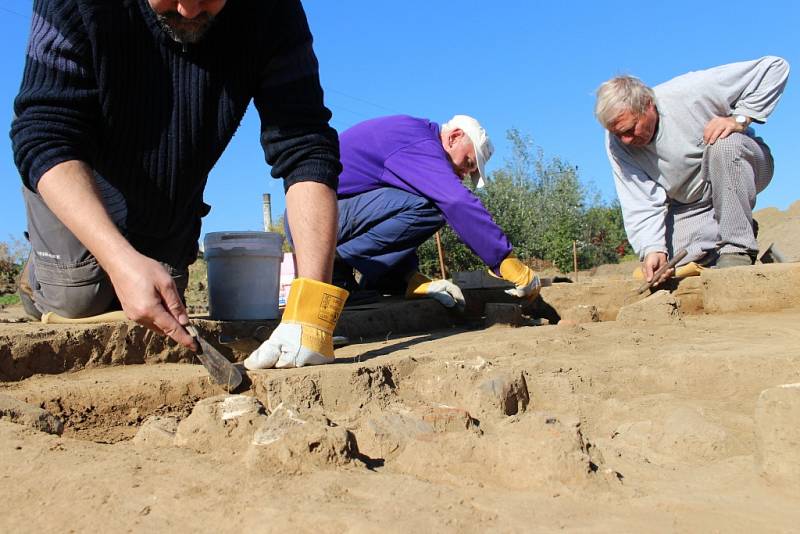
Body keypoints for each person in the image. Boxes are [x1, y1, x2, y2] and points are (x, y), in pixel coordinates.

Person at [12, 0, 348, 369]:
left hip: (168, 199)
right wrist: (119, 259)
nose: (189, 10)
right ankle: (40, 275)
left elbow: (305, 145)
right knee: (81, 298)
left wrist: (313, 316)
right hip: (78, 178)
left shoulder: (272, 10)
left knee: (162, 295)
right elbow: (44, 134)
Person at [288, 114, 540, 309]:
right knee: (434, 204)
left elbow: (397, 215)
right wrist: (503, 260)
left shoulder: (415, 139)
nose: (466, 174)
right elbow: (456, 202)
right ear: (454, 137)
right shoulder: (418, 142)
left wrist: (409, 278)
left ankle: (387, 280)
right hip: (315, 220)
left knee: (425, 201)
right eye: (469, 163)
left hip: (324, 217)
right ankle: (337, 267)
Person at [594, 57, 789, 284]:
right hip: (691, 205)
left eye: (630, 129)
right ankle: (738, 234)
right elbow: (639, 201)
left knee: (723, 144)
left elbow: (775, 67)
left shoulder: (691, 92)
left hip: (743, 165)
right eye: (618, 134)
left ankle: (737, 248)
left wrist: (740, 118)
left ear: (648, 103)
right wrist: (653, 249)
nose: (626, 140)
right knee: (671, 266)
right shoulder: (617, 144)